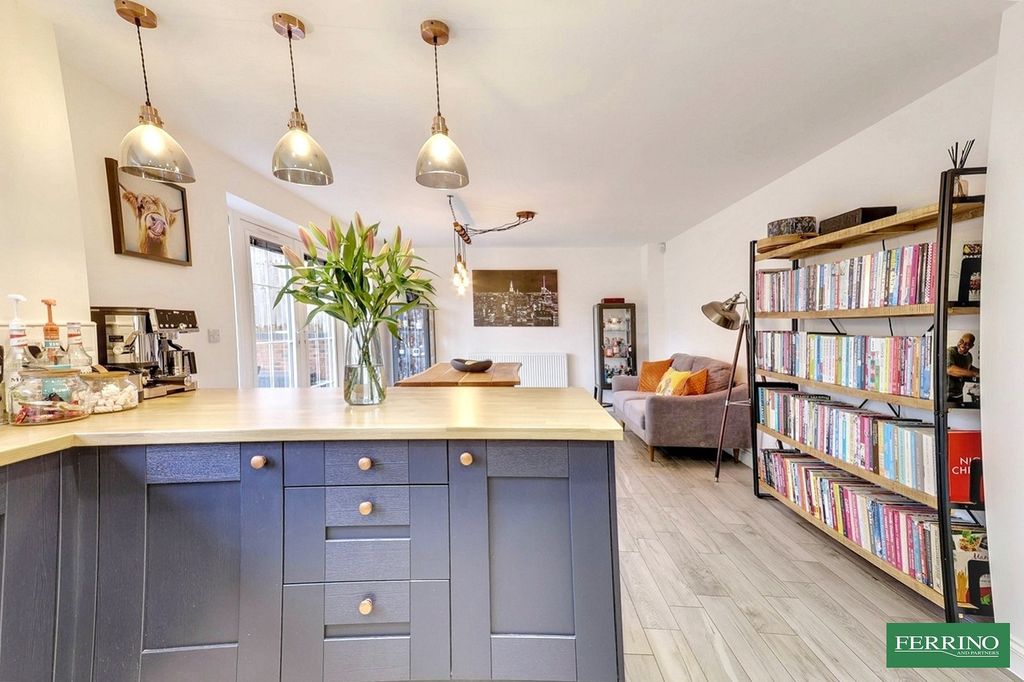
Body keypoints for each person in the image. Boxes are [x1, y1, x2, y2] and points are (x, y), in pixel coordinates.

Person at [946, 332, 979, 401]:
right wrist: (975, 374)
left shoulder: (969, 356)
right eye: (962, 341)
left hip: (959, 394)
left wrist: (982, 372)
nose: (963, 345)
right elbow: (950, 369)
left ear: (972, 346)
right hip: (947, 394)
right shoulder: (950, 351)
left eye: (968, 344)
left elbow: (969, 367)